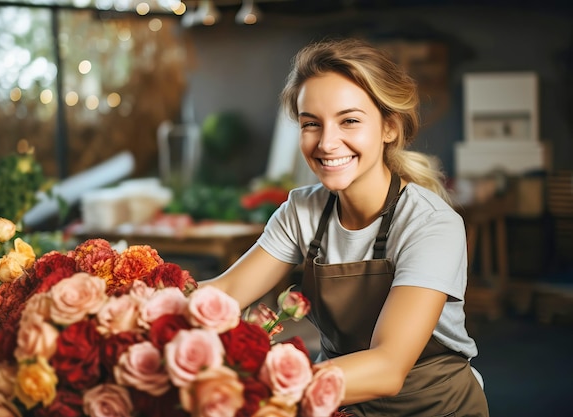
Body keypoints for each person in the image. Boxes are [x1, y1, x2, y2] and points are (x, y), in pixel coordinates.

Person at [203, 37, 489, 416]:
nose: (326, 142)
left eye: (349, 120)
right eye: (311, 124)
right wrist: (135, 306)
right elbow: (225, 292)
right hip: (340, 402)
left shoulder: (430, 224)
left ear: (389, 127)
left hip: (434, 406)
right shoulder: (303, 210)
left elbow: (388, 366)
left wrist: (264, 387)